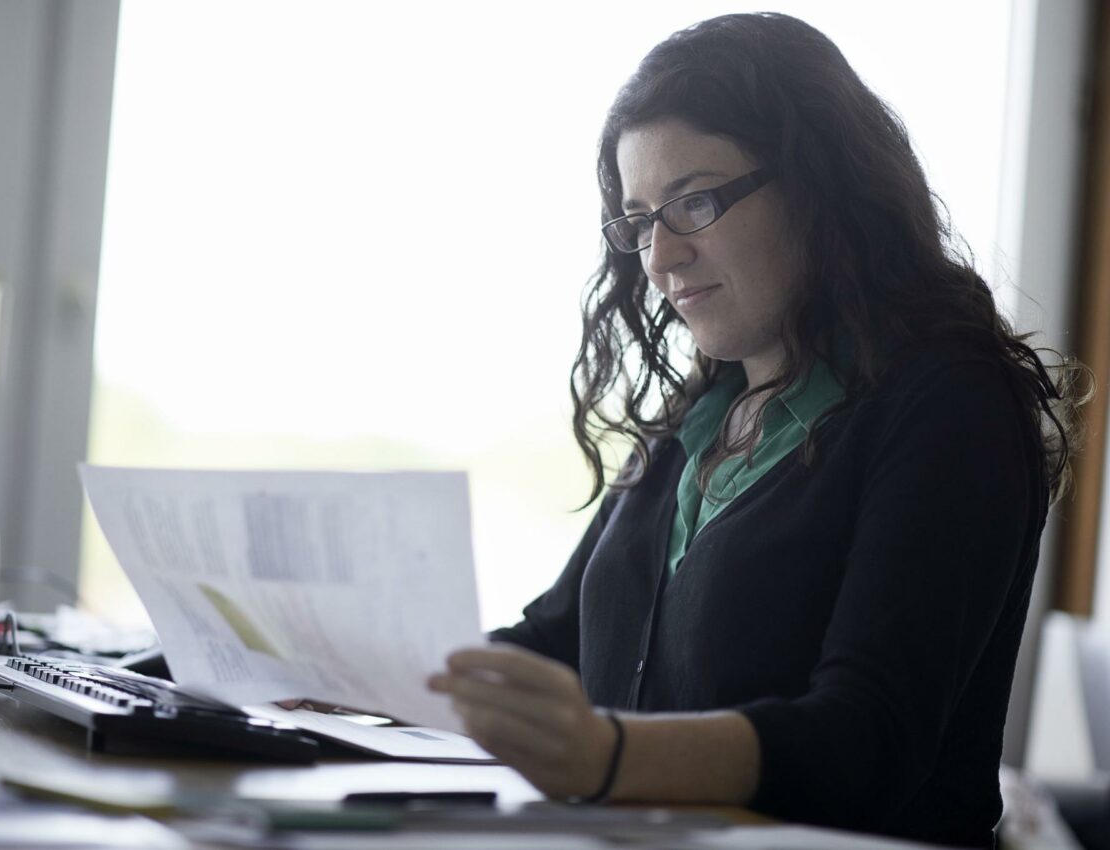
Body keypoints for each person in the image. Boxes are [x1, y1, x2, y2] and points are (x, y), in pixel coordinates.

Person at [425, 12, 1087, 849]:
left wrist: (607, 754)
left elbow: (865, 740)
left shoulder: (950, 404)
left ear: (820, 185)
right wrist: (349, 671)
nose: (659, 257)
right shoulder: (699, 416)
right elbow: (556, 642)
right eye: (638, 220)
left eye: (693, 203)